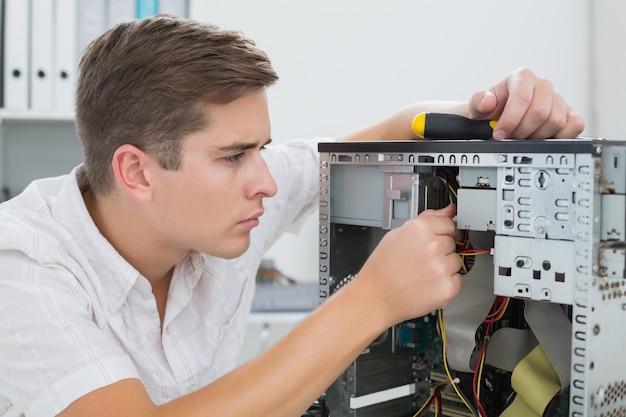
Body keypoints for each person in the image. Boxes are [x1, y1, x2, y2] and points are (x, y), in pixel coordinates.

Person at [0, 14, 584, 417]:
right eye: (233, 156)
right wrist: (372, 300)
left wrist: (498, 111)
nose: (268, 181)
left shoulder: (223, 202)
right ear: (136, 172)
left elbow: (392, 128)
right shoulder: (24, 270)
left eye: (262, 147)